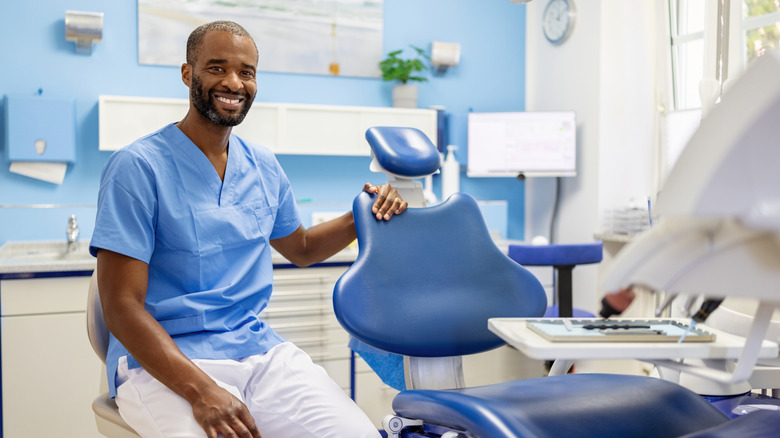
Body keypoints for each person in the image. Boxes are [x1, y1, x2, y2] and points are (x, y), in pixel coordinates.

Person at [89, 20, 407, 438]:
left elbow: (303, 248)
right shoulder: (138, 166)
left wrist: (365, 212)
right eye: (216, 68)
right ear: (188, 74)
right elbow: (122, 306)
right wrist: (202, 391)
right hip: (166, 362)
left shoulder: (262, 164)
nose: (233, 82)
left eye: (246, 72)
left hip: (259, 352)